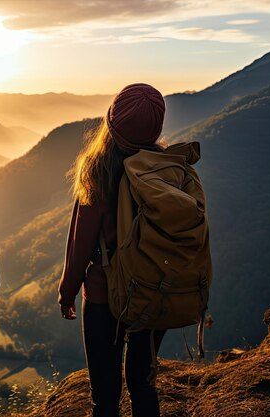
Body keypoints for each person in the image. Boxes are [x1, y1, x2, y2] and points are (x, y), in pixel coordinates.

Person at [58, 83, 167, 417]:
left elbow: (80, 243)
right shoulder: (167, 171)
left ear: (111, 123)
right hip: (153, 292)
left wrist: (67, 292)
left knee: (104, 395)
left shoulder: (98, 173)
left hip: (106, 296)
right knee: (143, 384)